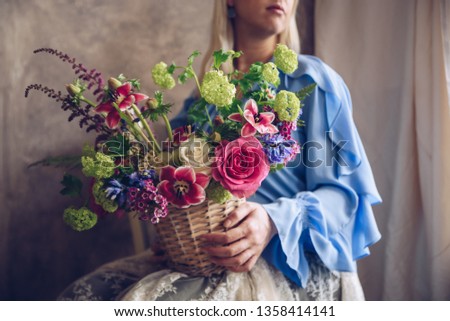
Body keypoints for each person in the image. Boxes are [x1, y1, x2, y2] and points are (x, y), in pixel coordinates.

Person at [58, 0, 381, 301]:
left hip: (292, 264)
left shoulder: (311, 81)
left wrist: (271, 221)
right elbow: (176, 186)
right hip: (207, 259)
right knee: (81, 295)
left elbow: (346, 200)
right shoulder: (202, 102)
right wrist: (171, 229)